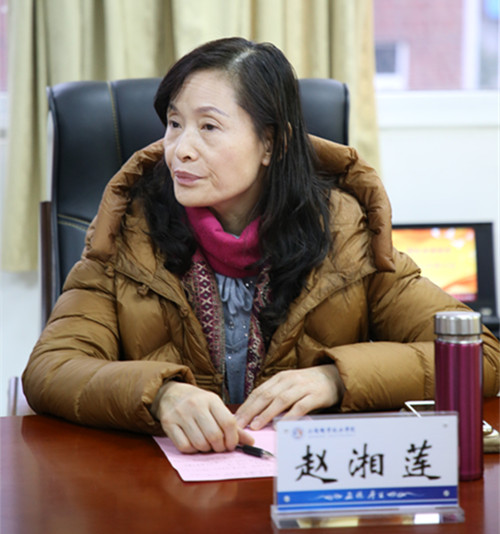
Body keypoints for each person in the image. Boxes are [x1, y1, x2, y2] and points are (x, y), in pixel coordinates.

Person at [23, 37, 500, 454]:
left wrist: (335, 378)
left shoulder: (344, 232)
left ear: (270, 144)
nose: (180, 149)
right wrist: (160, 393)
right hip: (162, 489)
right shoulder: (128, 232)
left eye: (208, 127)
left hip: (304, 488)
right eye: (174, 123)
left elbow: (480, 355)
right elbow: (51, 368)